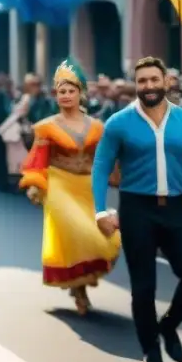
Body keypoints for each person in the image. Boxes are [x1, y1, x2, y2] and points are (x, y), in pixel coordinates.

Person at [91, 56, 182, 362]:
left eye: (153, 79)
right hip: (137, 209)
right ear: (137, 85)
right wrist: (99, 212)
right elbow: (100, 168)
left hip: (176, 208)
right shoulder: (118, 123)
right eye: (142, 81)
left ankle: (169, 324)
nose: (148, 86)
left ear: (166, 82)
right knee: (144, 286)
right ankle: (151, 349)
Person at [19, 58, 121, 314]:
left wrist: (117, 178)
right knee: (77, 232)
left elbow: (106, 159)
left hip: (87, 187)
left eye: (71, 91)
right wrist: (35, 184)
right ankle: (80, 291)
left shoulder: (98, 127)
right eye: (61, 92)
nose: (65, 96)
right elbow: (37, 159)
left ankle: (79, 286)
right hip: (59, 185)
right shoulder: (46, 128)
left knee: (101, 237)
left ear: (81, 94)